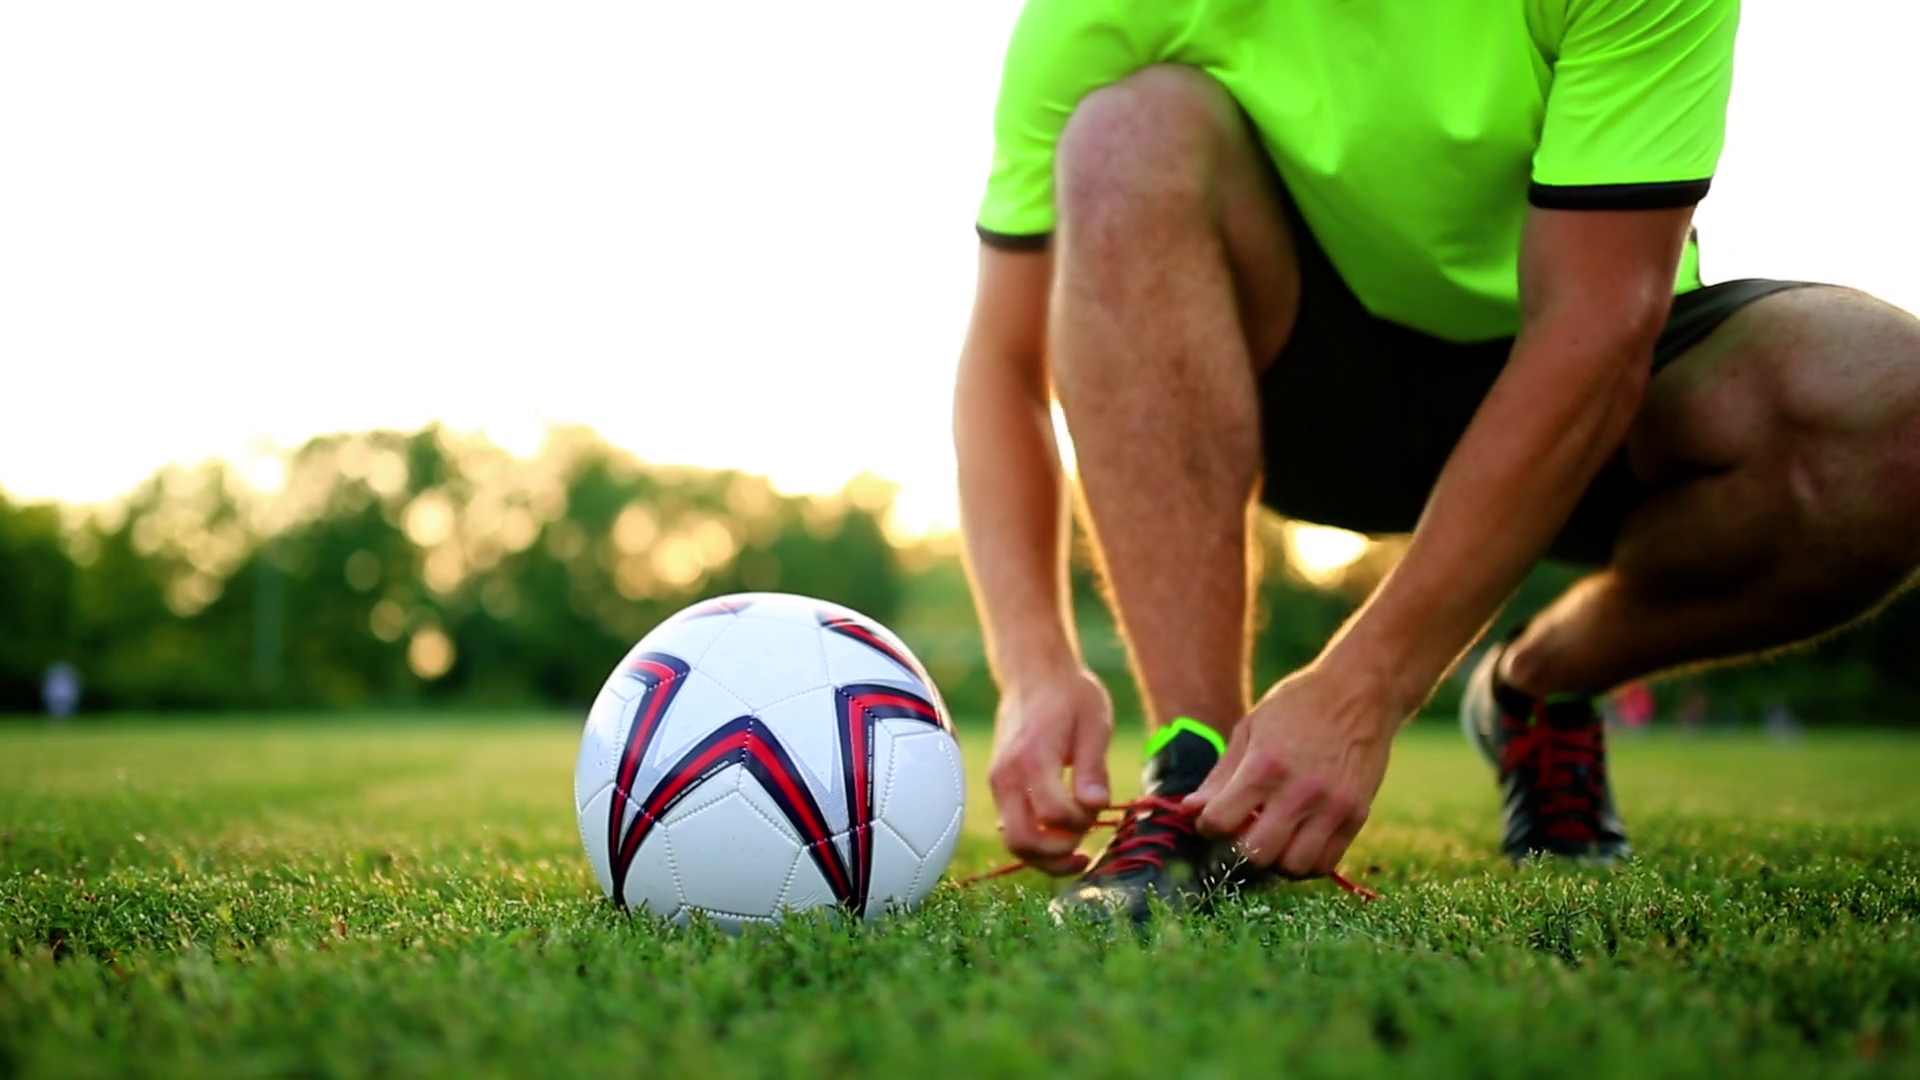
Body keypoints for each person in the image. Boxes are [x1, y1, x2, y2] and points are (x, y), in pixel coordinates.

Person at [953, 0, 1920, 925]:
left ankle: (1538, 689)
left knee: (1894, 411)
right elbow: (1003, 359)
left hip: (1590, 392)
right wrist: (1033, 663)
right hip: (1307, 387)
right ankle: (1197, 771)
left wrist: (1365, 685)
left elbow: (1595, 325)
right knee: (1126, 133)